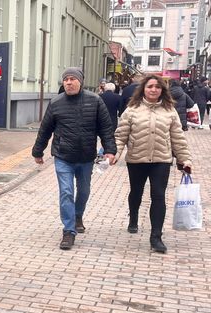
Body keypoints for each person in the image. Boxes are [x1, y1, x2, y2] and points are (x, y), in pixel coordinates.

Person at [32, 67, 116, 250]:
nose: (68, 82)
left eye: (72, 79)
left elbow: (106, 128)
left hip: (86, 157)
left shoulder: (95, 101)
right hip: (63, 156)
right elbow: (45, 129)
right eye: (66, 79)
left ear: (80, 81)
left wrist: (110, 149)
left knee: (84, 191)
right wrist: (38, 151)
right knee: (66, 192)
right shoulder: (56, 103)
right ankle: (69, 231)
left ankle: (78, 215)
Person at [113, 74, 193, 253]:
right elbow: (121, 135)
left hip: (161, 160)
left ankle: (156, 236)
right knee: (136, 192)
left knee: (158, 195)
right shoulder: (132, 109)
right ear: (143, 89)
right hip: (136, 159)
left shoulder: (169, 110)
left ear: (162, 90)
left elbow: (178, 138)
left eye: (157, 87)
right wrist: (115, 153)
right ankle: (133, 217)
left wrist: (184, 159)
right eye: (150, 86)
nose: (153, 90)